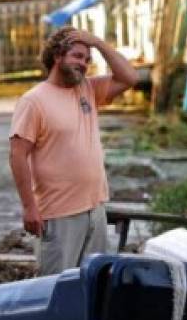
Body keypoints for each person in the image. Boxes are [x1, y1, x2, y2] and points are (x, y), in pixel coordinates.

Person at [9, 26, 137, 276]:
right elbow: (17, 155)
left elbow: (130, 78)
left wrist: (98, 43)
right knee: (56, 289)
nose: (84, 64)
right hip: (58, 214)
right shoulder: (33, 101)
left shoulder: (87, 90)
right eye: (77, 56)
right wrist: (29, 207)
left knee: (93, 288)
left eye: (87, 60)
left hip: (95, 210)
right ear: (57, 56)